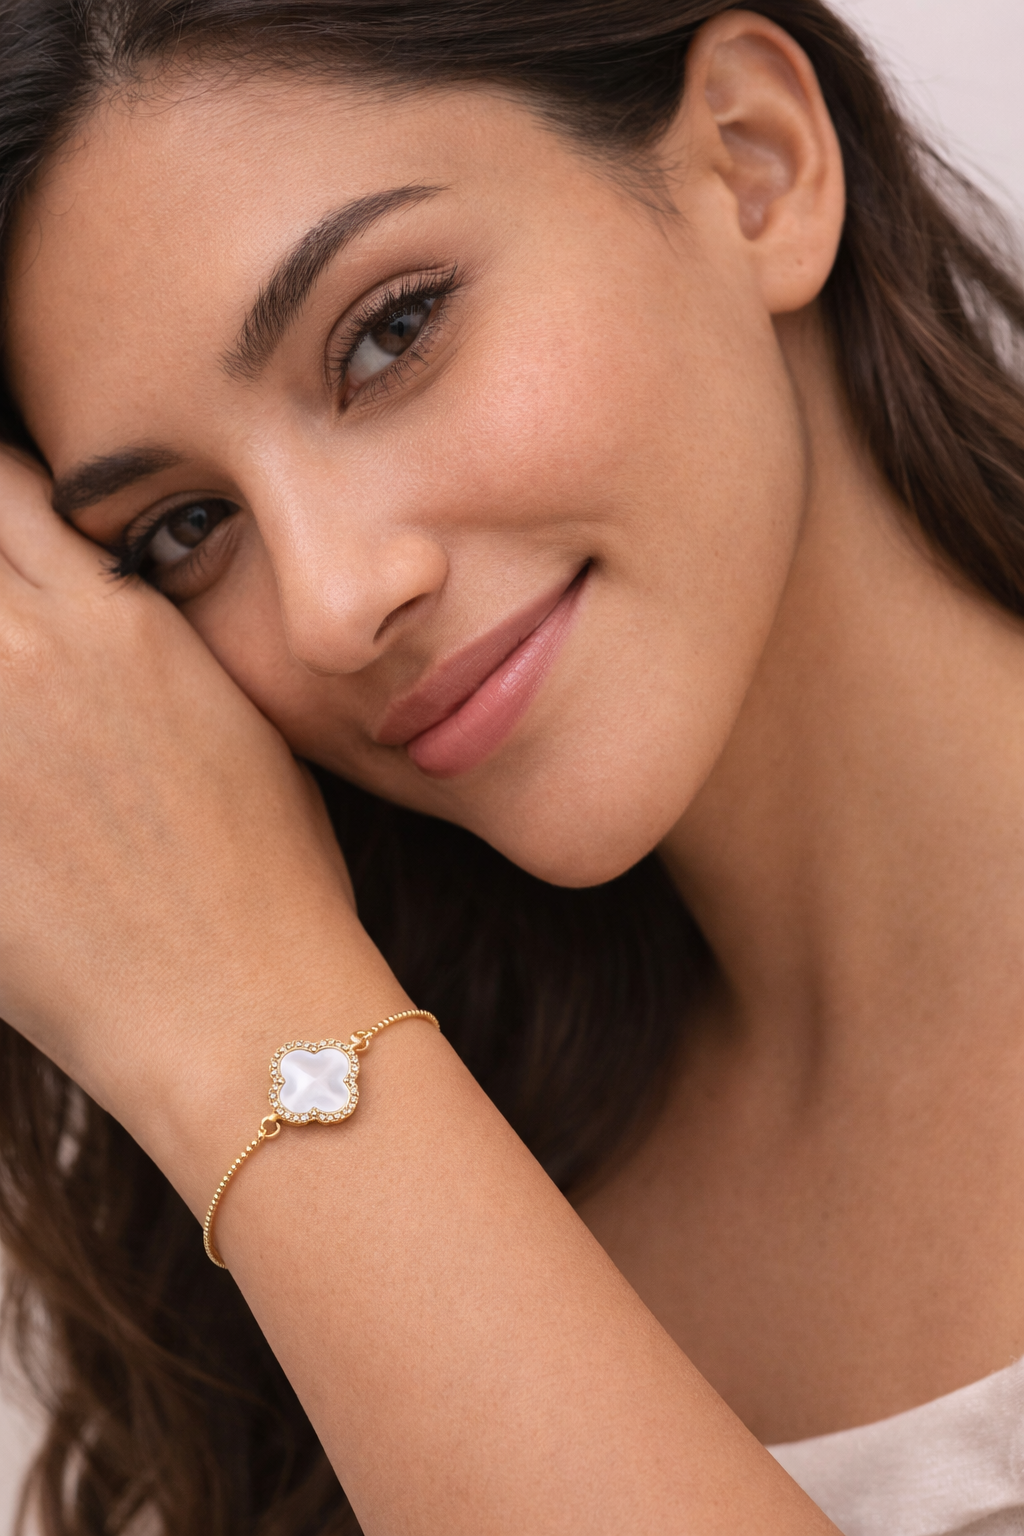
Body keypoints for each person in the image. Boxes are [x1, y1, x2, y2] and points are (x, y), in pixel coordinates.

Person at [0, 1, 1022, 1531]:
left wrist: (251, 1025)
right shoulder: (371, 1203)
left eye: (388, 333)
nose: (335, 603)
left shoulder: (295, 1091)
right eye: (184, 530)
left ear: (754, 167)